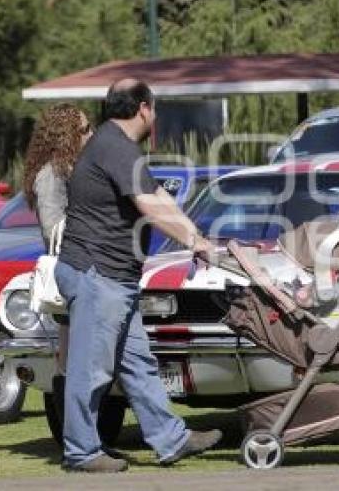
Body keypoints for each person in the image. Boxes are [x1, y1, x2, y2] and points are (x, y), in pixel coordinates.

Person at [55, 79, 220, 473]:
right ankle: (81, 451)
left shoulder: (118, 147)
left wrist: (197, 237)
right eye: (155, 109)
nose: (155, 116)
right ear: (144, 108)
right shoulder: (114, 146)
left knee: (138, 365)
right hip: (98, 274)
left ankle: (171, 438)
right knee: (91, 370)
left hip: (114, 278)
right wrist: (193, 242)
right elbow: (149, 205)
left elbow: (160, 198)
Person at [22, 103, 93, 395]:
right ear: (68, 135)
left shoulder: (70, 169)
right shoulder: (51, 175)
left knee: (79, 359)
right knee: (71, 361)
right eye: (85, 129)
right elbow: (53, 229)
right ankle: (70, 428)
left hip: (82, 272)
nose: (93, 133)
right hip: (73, 273)